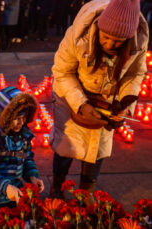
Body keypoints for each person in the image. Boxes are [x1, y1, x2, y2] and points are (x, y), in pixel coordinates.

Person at [49, 0, 148, 203]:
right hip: (71, 94)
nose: (110, 44)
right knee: (66, 145)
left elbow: (135, 73)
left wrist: (125, 103)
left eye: (118, 41)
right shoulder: (78, 35)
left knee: (97, 148)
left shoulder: (138, 41)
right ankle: (57, 187)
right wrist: (81, 104)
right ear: (98, 28)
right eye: (106, 37)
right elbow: (62, 71)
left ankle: (86, 193)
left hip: (105, 101)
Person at [0, 86, 44, 217]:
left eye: (24, 117)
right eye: (16, 117)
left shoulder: (23, 136)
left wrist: (32, 175)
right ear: (3, 117)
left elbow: (27, 159)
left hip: (14, 193)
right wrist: (5, 188)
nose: (21, 122)